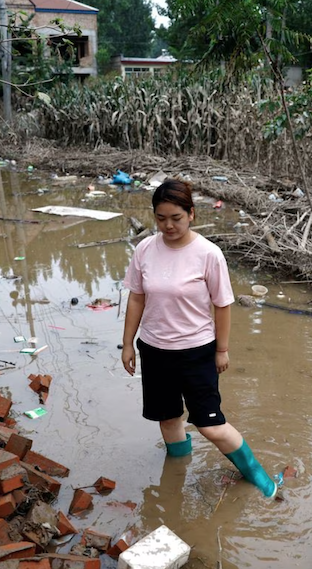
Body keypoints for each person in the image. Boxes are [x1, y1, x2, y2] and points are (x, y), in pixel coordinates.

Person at [121, 179, 277, 499]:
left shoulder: (208, 254)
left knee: (210, 425)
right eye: (161, 218)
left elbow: (222, 305)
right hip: (154, 349)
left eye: (176, 217)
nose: (168, 225)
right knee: (167, 417)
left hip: (196, 351)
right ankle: (176, 473)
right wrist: (127, 343)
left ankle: (260, 477)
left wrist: (222, 349)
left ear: (191, 214)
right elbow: (136, 298)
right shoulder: (145, 249)